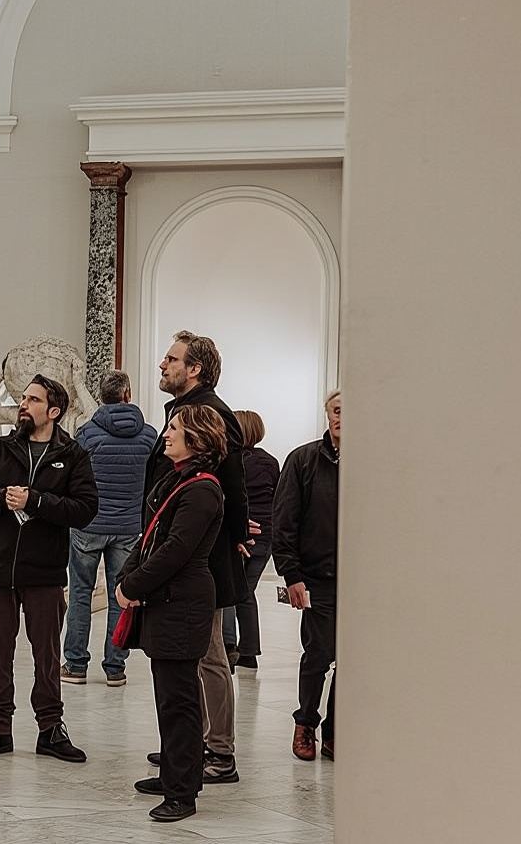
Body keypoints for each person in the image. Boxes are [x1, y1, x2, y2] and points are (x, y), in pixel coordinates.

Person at [0, 374, 99, 763]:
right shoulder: (1, 449)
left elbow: (85, 509)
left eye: (33, 400)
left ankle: (51, 730)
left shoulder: (72, 455)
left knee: (46, 654)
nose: (24, 404)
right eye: (23, 398)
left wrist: (36, 501)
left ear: (53, 411)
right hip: (0, 571)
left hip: (45, 572)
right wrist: (1, 497)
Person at [141, 331, 249, 785]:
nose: (162, 365)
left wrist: (238, 532)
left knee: (207, 654)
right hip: (184, 551)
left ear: (195, 369)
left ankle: (218, 752)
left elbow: (232, 482)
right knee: (190, 655)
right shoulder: (183, 411)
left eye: (172, 359)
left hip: (199, 558)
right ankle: (189, 744)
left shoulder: (210, 415)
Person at [116, 405, 228, 823]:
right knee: (169, 695)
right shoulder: (179, 481)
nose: (166, 434)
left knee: (180, 700)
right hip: (168, 599)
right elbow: (150, 539)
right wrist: (129, 575)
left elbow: (175, 551)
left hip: (182, 601)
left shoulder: (202, 490)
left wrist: (132, 584)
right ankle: (174, 772)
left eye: (174, 429)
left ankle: (182, 791)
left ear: (195, 440)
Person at [62, 369, 157, 687]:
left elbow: (72, 479)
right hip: (129, 527)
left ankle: (75, 665)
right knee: (122, 596)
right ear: (128, 394)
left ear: (101, 397)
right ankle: (115, 666)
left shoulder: (86, 434)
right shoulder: (149, 436)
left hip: (88, 524)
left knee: (80, 594)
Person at [273, 390, 341, 761]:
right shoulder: (303, 460)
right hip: (317, 577)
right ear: (327, 414)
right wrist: (291, 574)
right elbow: (284, 520)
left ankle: (336, 731)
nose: (342, 417)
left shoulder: (375, 464)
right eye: (336, 409)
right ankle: (306, 725)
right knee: (318, 654)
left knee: (355, 659)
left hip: (363, 583)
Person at [228, 410, 281, 670]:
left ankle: (235, 647)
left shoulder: (234, 461)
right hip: (266, 537)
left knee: (234, 591)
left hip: (242, 534)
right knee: (247, 591)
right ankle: (248, 650)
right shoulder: (270, 462)